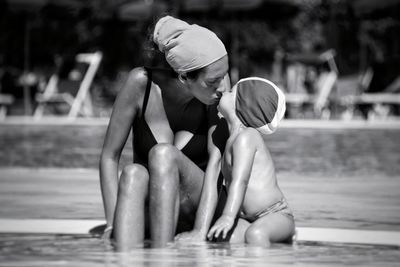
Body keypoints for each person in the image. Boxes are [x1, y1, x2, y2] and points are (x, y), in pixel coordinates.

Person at [99, 15, 230, 250]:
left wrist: (201, 231)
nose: (222, 86)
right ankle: (122, 256)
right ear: (183, 77)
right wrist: (111, 224)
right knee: (132, 173)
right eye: (213, 81)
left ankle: (161, 258)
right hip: (155, 203)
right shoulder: (140, 84)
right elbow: (109, 157)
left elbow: (217, 163)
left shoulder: (217, 89)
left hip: (199, 203)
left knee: (163, 154)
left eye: (223, 76)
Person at [176, 77, 295, 247]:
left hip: (276, 215)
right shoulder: (230, 138)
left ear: (240, 104)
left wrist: (228, 216)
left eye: (231, 91)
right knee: (223, 240)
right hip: (249, 218)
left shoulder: (246, 137)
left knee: (256, 234)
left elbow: (241, 181)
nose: (224, 92)